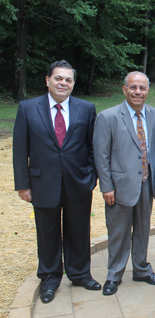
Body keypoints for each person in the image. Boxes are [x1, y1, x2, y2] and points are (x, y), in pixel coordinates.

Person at [13, 60, 100, 304]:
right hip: (43, 183)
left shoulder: (86, 108)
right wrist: (23, 184)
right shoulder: (28, 108)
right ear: (48, 80)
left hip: (78, 182)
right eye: (58, 78)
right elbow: (20, 150)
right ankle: (50, 279)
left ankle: (80, 274)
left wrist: (91, 176)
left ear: (73, 83)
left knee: (79, 231)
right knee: (48, 233)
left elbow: (92, 147)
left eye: (68, 80)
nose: (63, 83)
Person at [93, 71, 155, 296]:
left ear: (148, 91)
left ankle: (142, 270)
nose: (138, 92)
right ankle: (114, 275)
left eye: (142, 88)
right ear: (124, 89)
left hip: (146, 183)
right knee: (118, 232)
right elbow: (101, 155)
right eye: (133, 87)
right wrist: (106, 186)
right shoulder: (108, 117)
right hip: (119, 186)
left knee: (143, 229)